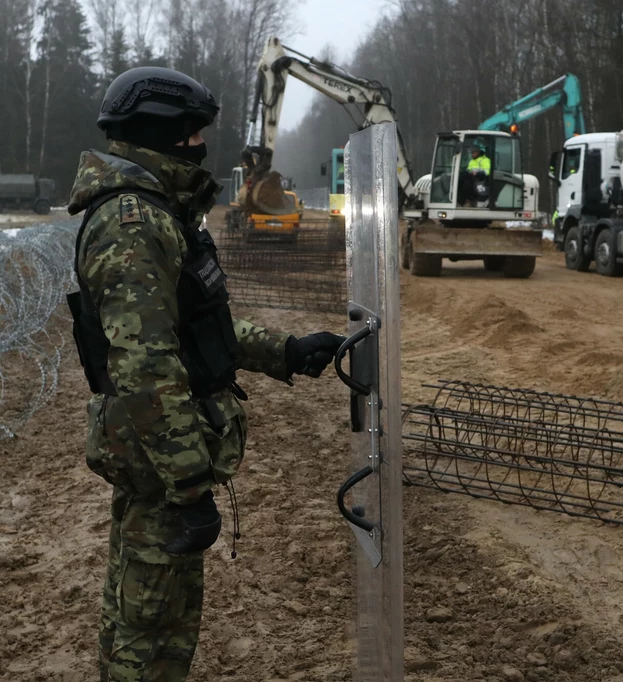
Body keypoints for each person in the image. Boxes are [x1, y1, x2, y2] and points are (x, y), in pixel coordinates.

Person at [66, 66, 345, 681]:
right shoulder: (134, 223)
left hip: (158, 462)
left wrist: (288, 350)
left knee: (147, 615)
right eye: (193, 134)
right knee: (152, 631)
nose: (201, 145)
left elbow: (194, 330)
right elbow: (146, 368)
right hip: (163, 467)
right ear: (162, 133)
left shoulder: (160, 214)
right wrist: (190, 486)